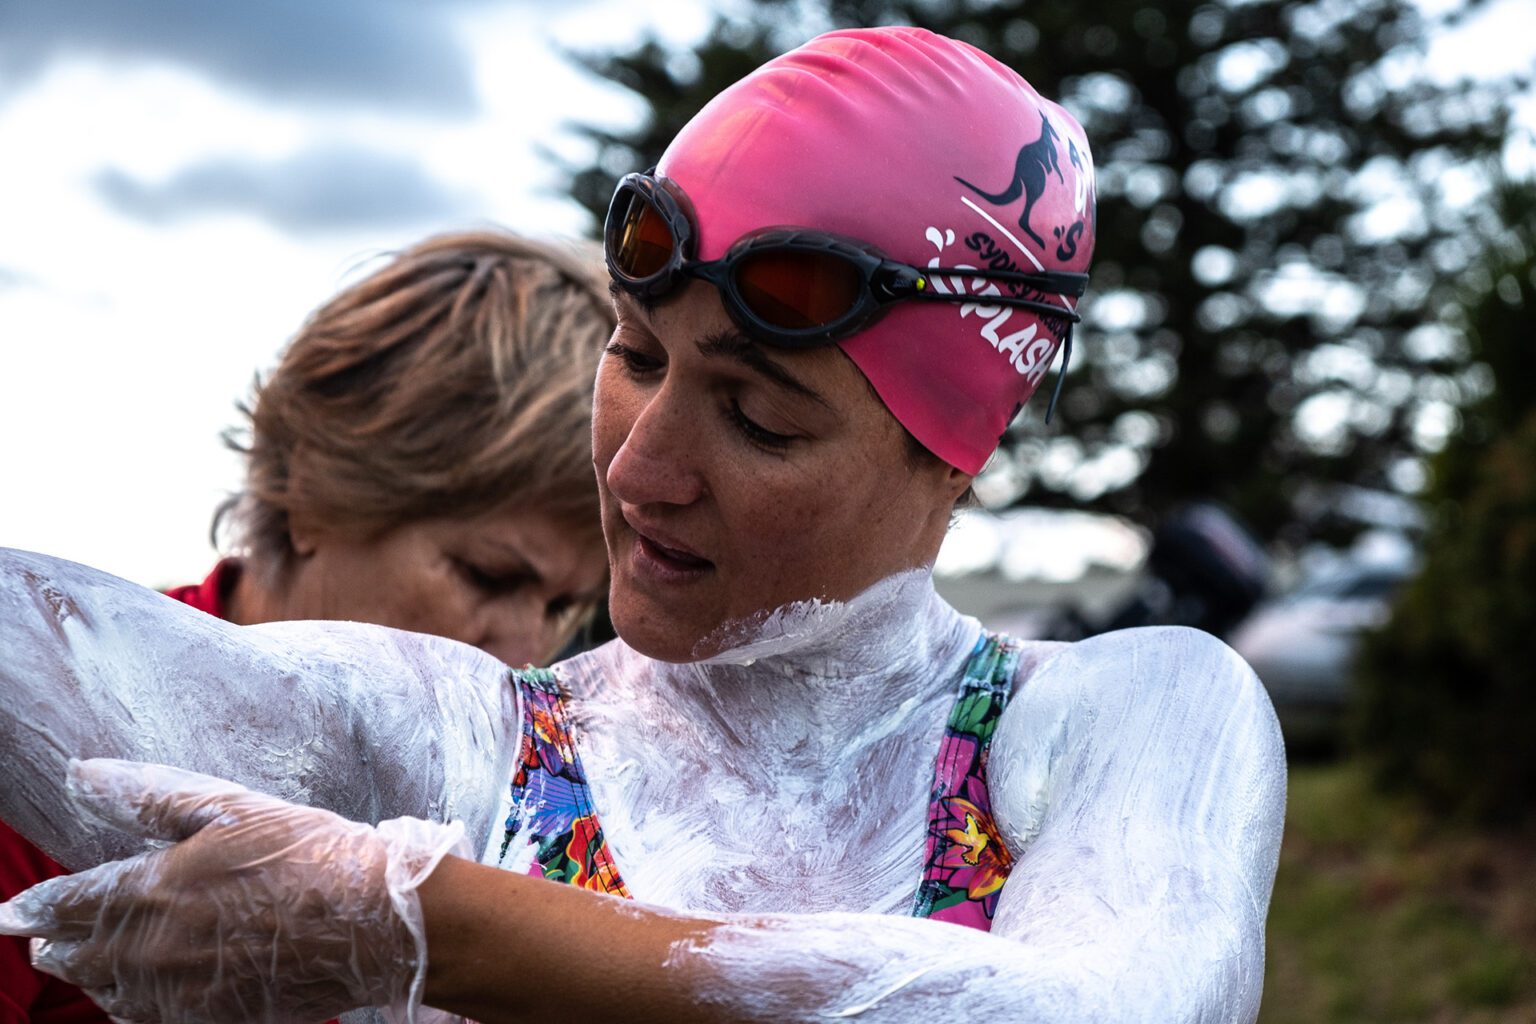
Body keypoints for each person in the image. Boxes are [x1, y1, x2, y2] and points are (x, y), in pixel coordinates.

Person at [0, 26, 1287, 1024]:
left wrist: (425, 923)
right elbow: (67, 660)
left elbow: (1107, 1005)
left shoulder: (1131, 715)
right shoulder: (471, 737)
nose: (641, 468)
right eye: (634, 353)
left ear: (960, 451)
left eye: (762, 419)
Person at [0, 229, 615, 1023]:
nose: (528, 650)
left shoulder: (546, 809)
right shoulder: (45, 717)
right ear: (308, 485)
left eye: (565, 607)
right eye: (489, 576)